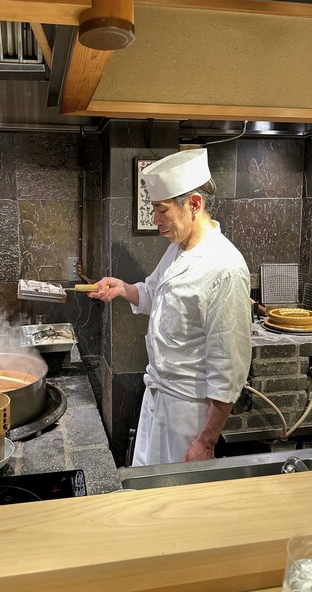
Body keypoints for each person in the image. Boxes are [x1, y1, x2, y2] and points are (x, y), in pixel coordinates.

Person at [90, 148, 252, 466]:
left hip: (189, 413)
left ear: (194, 204)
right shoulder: (179, 249)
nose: (156, 221)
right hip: (159, 397)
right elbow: (155, 295)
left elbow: (229, 369)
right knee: (150, 484)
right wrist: (124, 288)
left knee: (179, 492)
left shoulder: (225, 268)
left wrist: (206, 440)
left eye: (162, 211)